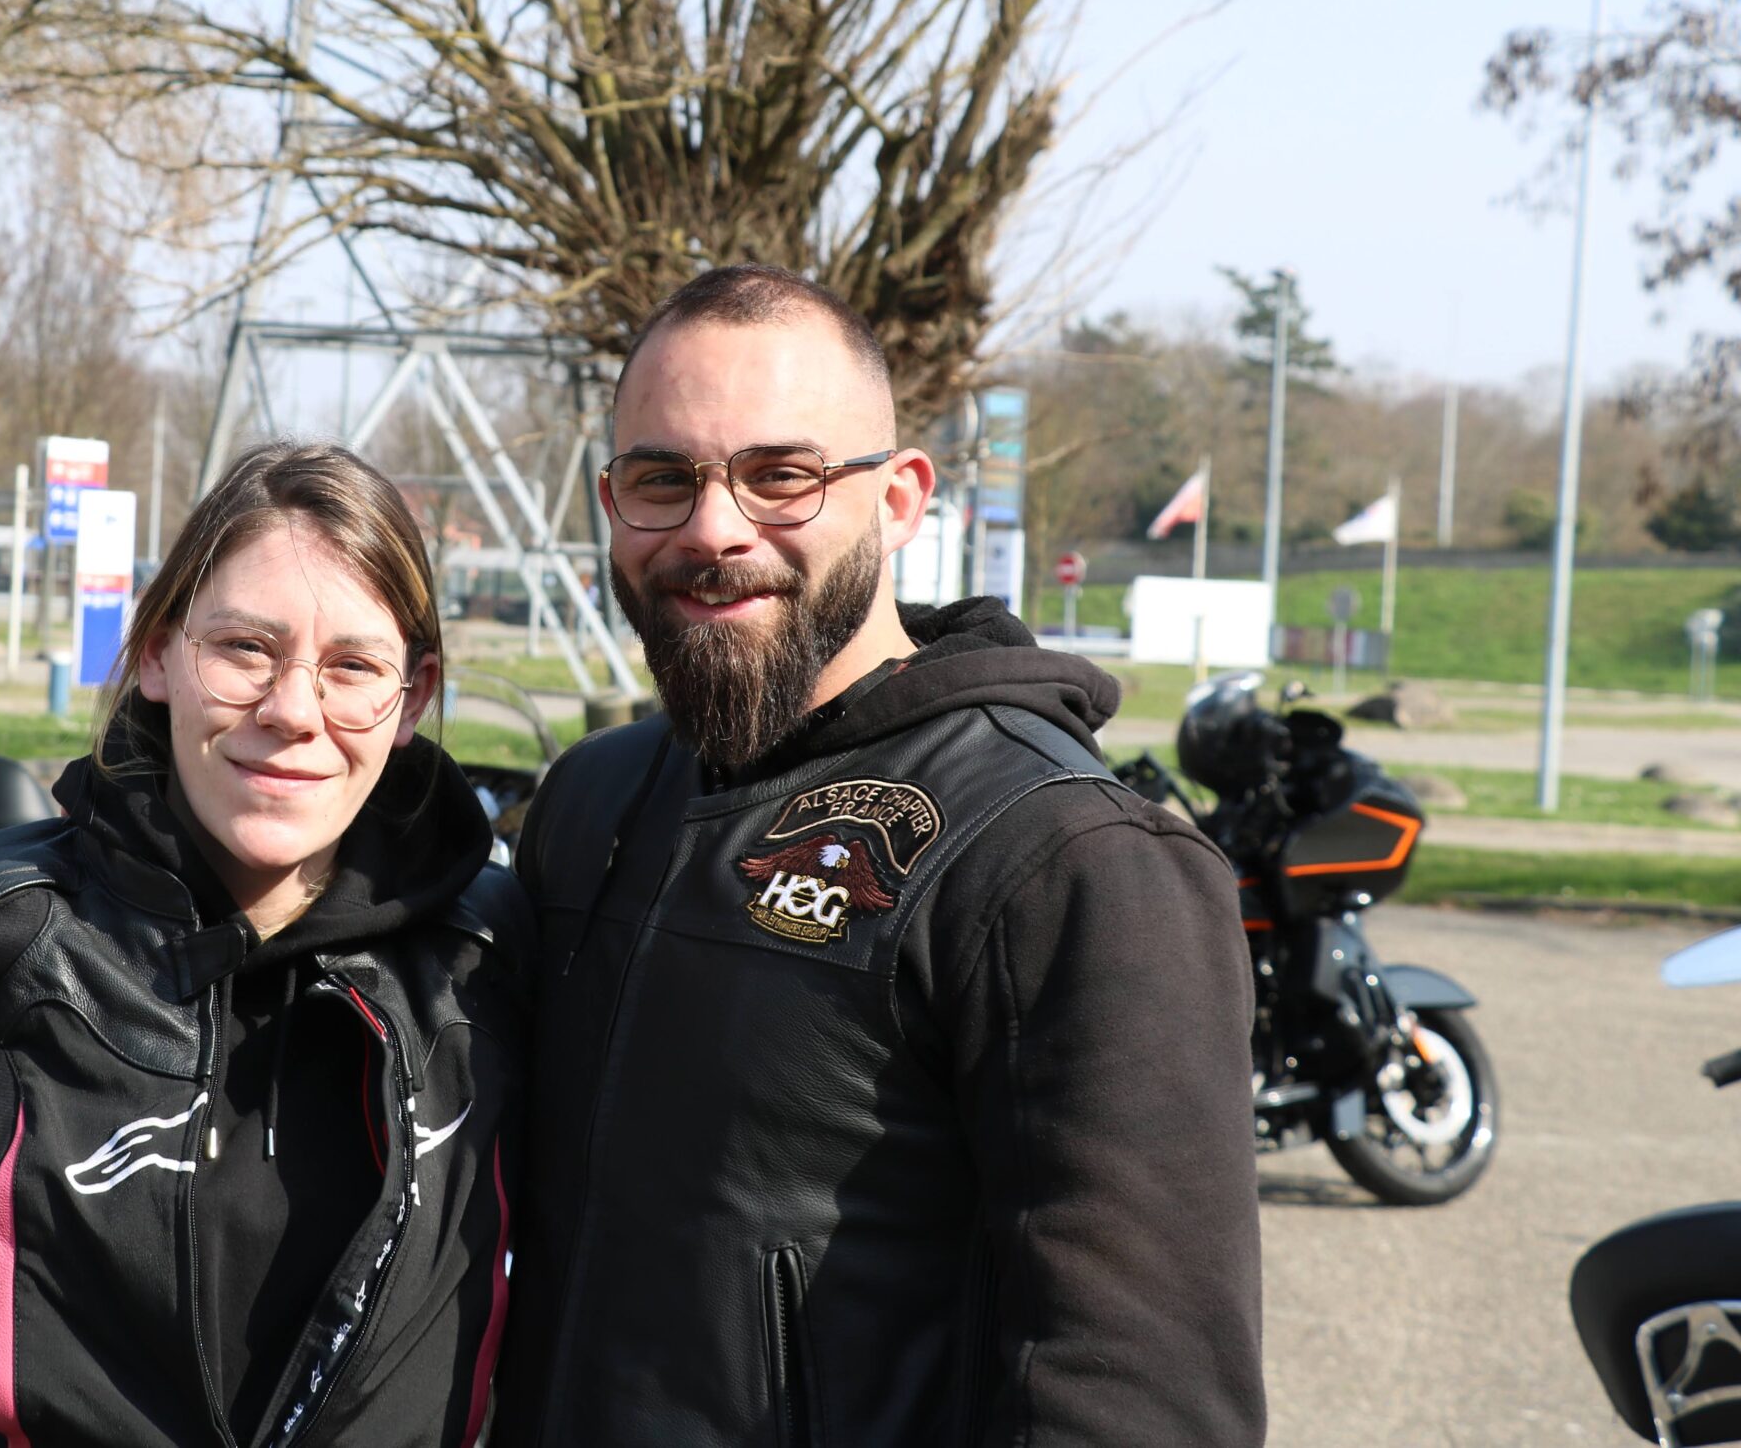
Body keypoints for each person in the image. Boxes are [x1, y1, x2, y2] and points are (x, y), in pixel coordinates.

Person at [496, 265, 1264, 1446]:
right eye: (663, 478)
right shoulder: (589, 798)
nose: (713, 528)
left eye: (780, 475)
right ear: (612, 500)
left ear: (899, 498)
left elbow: (1134, 1398)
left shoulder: (1067, 859)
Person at [0, 442, 525, 1448]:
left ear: (413, 696)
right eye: (245, 648)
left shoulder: (501, 959)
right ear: (156, 653)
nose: (292, 710)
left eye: (353, 666)